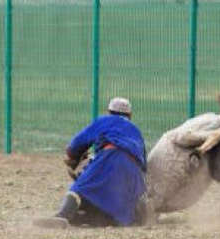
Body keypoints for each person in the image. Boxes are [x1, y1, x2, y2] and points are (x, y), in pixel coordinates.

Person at [33, 97, 147, 229]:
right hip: (134, 171)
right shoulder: (136, 131)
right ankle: (97, 219)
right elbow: (144, 164)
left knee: (79, 188)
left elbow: (77, 143)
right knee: (119, 213)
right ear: (130, 115)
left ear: (109, 112)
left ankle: (62, 216)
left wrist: (73, 157)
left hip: (110, 156)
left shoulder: (104, 121)